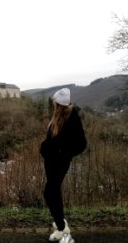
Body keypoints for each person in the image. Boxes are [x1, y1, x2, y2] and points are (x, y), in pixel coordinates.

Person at [40, 88, 86, 243]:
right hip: (51, 163)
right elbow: (52, 139)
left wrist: (63, 153)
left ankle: (65, 232)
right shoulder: (58, 116)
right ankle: (61, 229)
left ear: (59, 103)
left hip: (59, 163)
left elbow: (81, 144)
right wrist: (44, 147)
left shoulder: (72, 118)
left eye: (55, 102)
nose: (53, 104)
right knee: (53, 193)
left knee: (50, 193)